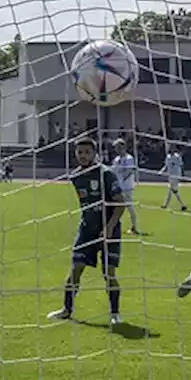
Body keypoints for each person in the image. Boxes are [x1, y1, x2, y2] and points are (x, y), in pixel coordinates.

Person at [48, 135, 126, 325]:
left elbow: (121, 204)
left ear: (95, 154)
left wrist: (108, 227)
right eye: (80, 152)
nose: (83, 156)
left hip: (109, 229)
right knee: (76, 269)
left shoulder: (106, 174)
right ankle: (67, 310)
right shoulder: (75, 176)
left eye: (87, 152)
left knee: (109, 273)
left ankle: (115, 314)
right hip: (87, 229)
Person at [109, 139, 141, 234]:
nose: (116, 149)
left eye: (118, 147)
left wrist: (122, 179)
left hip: (127, 187)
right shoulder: (116, 159)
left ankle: (134, 227)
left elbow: (130, 171)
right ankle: (114, 226)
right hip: (118, 187)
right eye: (115, 147)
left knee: (129, 206)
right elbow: (113, 171)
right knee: (116, 207)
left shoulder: (129, 158)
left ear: (123, 147)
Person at [162, 146, 188, 210]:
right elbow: (166, 165)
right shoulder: (168, 157)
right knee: (172, 191)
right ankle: (182, 205)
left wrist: (182, 175)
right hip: (170, 176)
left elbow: (181, 165)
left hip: (176, 175)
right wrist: (161, 171)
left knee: (172, 190)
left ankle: (166, 205)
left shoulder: (177, 157)